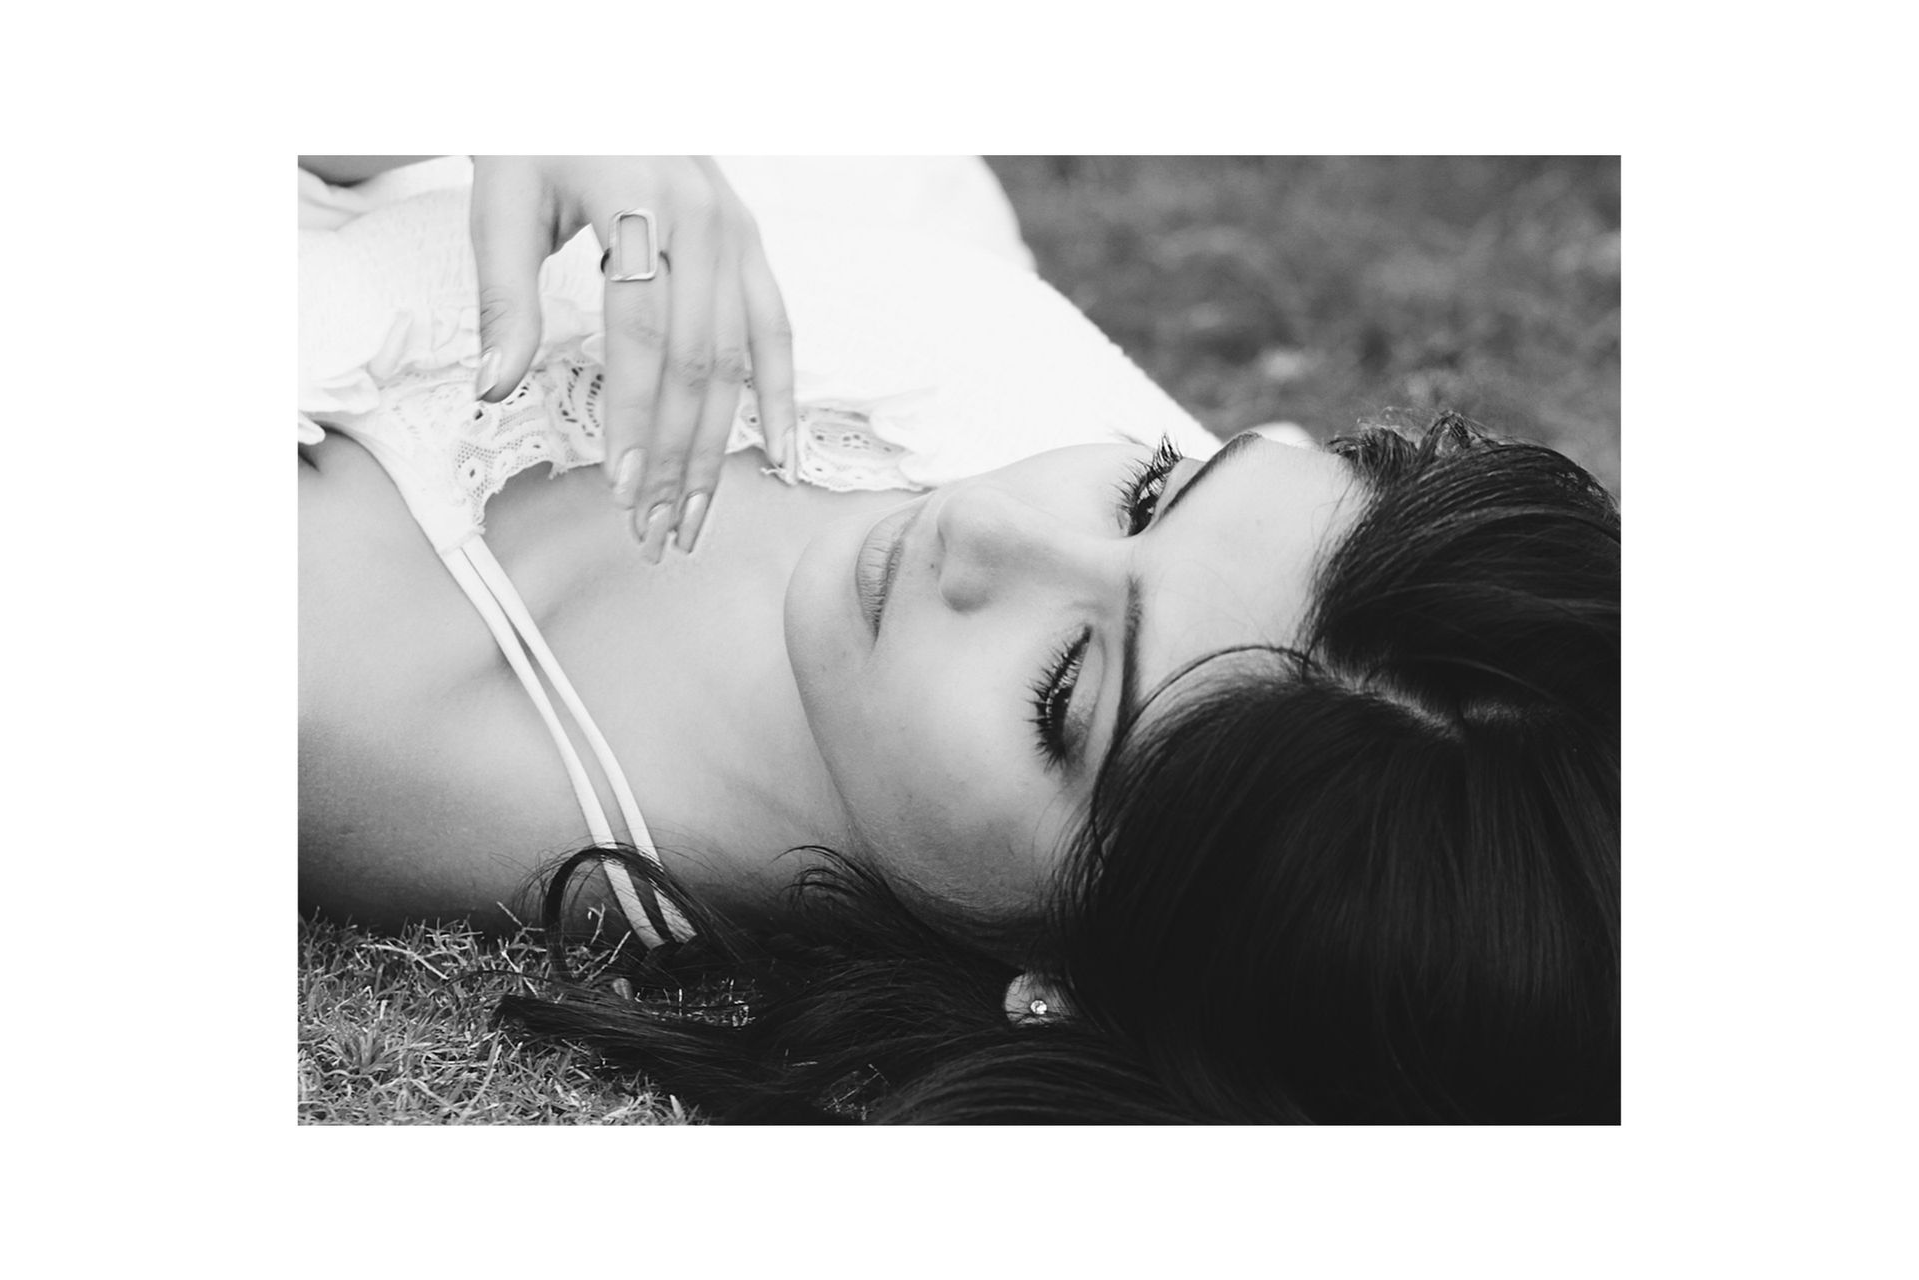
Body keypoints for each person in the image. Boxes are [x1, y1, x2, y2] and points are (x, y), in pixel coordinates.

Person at [299, 157, 1619, 1123]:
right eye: (1156, 486)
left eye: (1064, 687)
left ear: (1070, 985)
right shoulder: (1248, 611)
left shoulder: (372, 710)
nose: (988, 527)